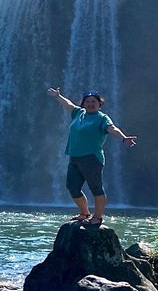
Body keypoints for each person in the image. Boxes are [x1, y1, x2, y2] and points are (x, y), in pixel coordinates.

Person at [46, 87, 138, 225]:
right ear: (83, 104)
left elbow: (112, 128)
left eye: (94, 101)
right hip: (74, 157)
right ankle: (84, 213)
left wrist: (123, 138)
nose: (90, 103)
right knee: (72, 186)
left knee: (96, 187)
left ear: (99, 104)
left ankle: (98, 217)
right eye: (87, 101)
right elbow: (68, 105)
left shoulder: (102, 118)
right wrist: (58, 96)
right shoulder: (79, 113)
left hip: (92, 158)